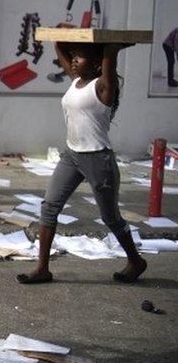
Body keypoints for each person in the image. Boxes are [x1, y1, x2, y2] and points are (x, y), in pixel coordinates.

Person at [17, 40, 147, 284]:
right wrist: (64, 37)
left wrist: (111, 49)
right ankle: (42, 268)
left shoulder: (104, 87)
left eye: (81, 57)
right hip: (72, 156)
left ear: (98, 63)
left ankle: (136, 260)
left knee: (110, 218)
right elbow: (60, 47)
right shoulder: (76, 81)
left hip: (98, 159)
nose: (74, 60)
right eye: (73, 56)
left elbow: (108, 58)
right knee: (49, 207)